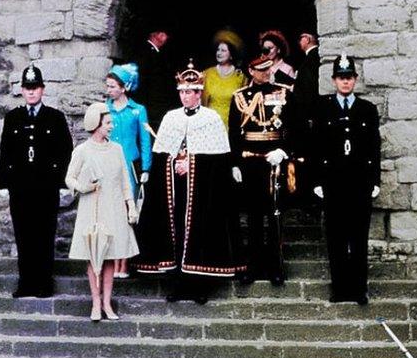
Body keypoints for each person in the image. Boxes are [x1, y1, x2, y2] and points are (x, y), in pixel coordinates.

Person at [134, 61, 245, 304]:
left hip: (202, 191)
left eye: (190, 92)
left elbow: (218, 163)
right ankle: (176, 284)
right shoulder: (170, 118)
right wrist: (174, 164)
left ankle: (199, 285)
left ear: (199, 94)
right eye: (182, 92)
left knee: (200, 233)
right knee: (175, 234)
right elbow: (161, 154)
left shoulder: (211, 118)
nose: (185, 97)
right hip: (175, 188)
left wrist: (192, 164)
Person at [0, 64, 74, 298]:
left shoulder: (55, 118)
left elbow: (65, 153)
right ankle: (26, 282)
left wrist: (63, 183)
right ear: (22, 90)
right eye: (27, 88)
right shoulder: (13, 118)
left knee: (44, 234)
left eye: (35, 88)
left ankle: (43, 283)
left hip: (46, 187)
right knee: (23, 234)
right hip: (20, 188)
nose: (31, 92)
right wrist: (3, 183)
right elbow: (6, 151)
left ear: (42, 89)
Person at [312, 53, 381, 304]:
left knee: (358, 237)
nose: (345, 82)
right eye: (341, 78)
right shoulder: (323, 108)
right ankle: (340, 289)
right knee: (336, 237)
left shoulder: (367, 109)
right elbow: (316, 147)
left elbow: (374, 147)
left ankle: (358, 288)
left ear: (355, 80)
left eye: (349, 77)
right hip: (333, 182)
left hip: (360, 182)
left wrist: (375, 180)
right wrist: (317, 181)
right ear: (333, 80)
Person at [65, 103, 140, 321]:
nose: (111, 126)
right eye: (107, 123)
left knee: (109, 256)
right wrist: (83, 187)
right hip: (92, 207)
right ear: (96, 124)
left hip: (114, 206)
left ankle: (107, 303)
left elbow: (125, 180)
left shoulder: (116, 149)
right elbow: (69, 177)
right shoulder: (82, 150)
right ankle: (95, 303)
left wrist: (131, 206)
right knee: (94, 254)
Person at [229, 55, 297, 286]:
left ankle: (275, 266)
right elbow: (234, 134)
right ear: (251, 70)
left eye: (268, 68)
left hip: (274, 161)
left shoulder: (284, 92)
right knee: (254, 217)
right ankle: (253, 266)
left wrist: (284, 151)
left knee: (274, 215)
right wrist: (235, 162)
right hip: (250, 161)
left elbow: (293, 128)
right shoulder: (239, 97)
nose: (266, 73)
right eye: (261, 69)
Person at [105, 63, 151, 279]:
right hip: (109, 166)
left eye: (113, 86)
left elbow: (145, 141)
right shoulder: (105, 109)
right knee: (111, 214)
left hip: (130, 167)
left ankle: (125, 263)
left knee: (127, 214)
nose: (109, 90)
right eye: (108, 86)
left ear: (124, 88)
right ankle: (113, 262)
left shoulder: (137, 110)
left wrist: (146, 167)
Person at [202, 29, 247, 130]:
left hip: (231, 126)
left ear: (231, 55)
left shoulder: (240, 77)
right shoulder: (206, 74)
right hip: (209, 126)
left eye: (223, 50)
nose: (219, 53)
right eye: (218, 50)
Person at [132, 23, 174, 131]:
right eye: (164, 35)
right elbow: (144, 78)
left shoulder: (154, 52)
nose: (166, 38)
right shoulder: (146, 51)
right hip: (148, 101)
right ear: (157, 35)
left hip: (153, 102)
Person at [294, 30, 320, 109]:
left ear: (307, 39)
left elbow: (309, 83)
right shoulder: (313, 55)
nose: (299, 42)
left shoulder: (312, 57)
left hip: (310, 104)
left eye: (300, 38)